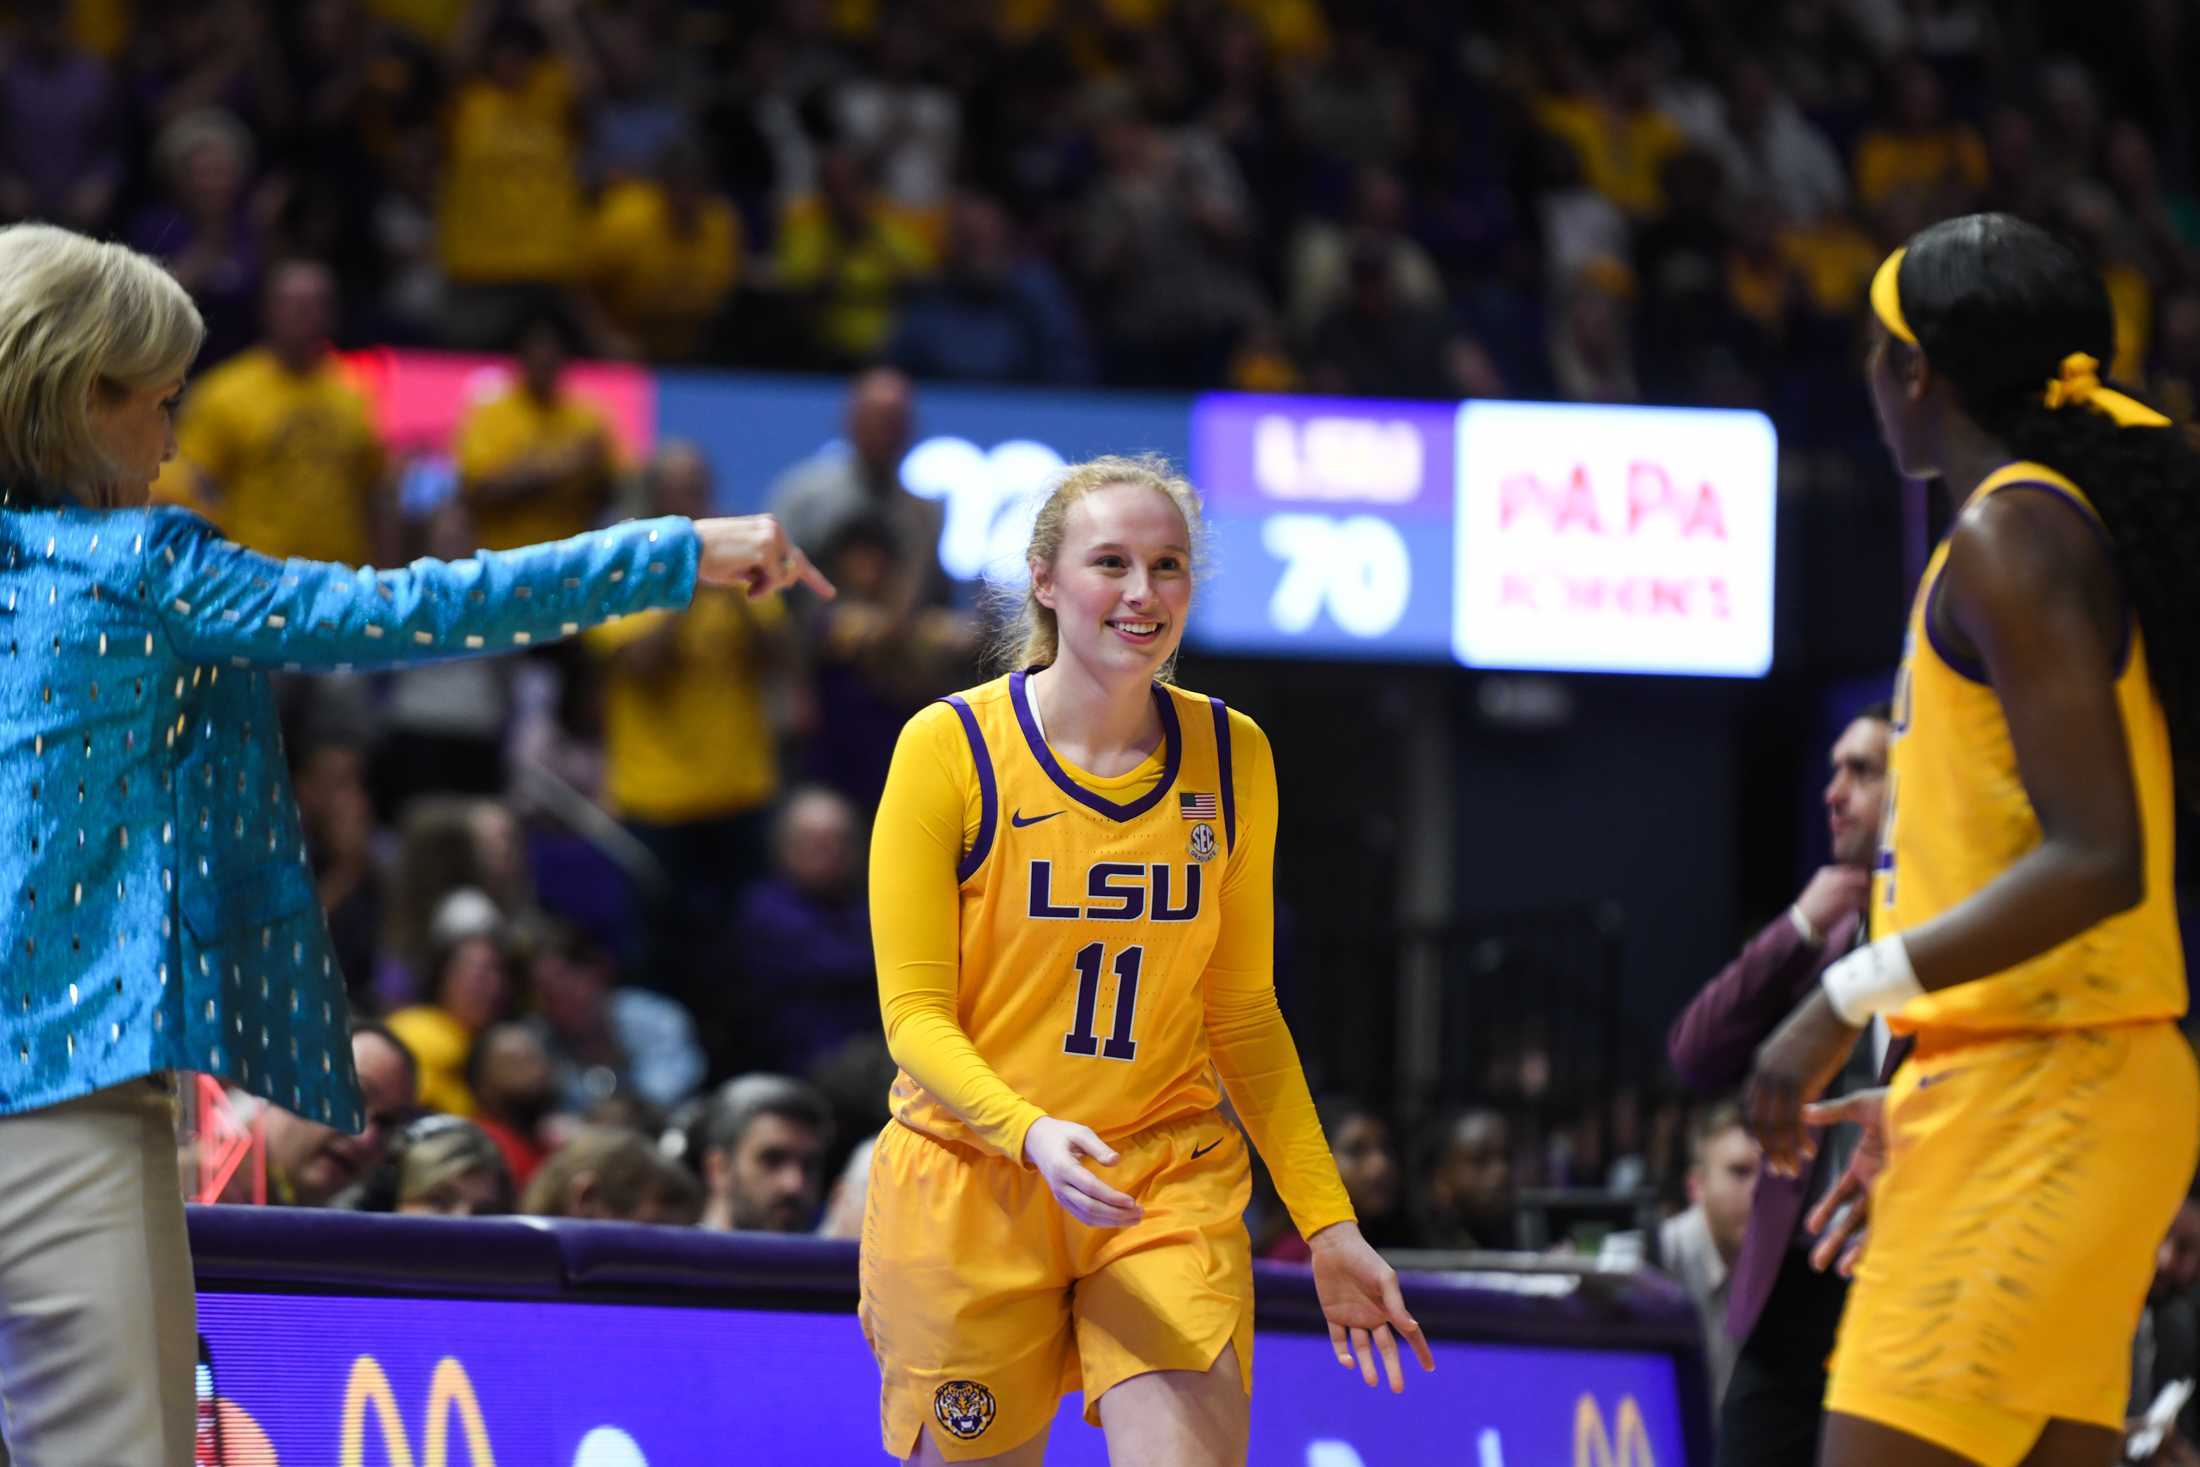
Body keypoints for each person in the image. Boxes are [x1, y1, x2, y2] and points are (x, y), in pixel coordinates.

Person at [0, 221, 830, 1467]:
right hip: (67, 1095)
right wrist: (668, 552)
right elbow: (405, 607)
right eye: (160, 404)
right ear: (77, 396)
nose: (171, 443)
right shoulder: (142, 566)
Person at [863, 455, 1427, 1465]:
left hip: (1160, 1179)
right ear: (1044, 579)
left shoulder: (1233, 753)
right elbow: (912, 1020)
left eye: (1166, 566)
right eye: (1109, 562)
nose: (1141, 593)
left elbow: (1243, 1013)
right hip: (973, 1176)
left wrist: (1328, 1224)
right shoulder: (945, 749)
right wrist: (1028, 1132)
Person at [1748, 213, 2200, 1467]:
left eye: (1874, 350)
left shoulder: (2010, 536)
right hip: (2030, 1082)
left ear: (1917, 374)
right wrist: (1915, 1078)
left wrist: (1835, 997)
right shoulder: (2036, 529)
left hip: (2051, 1090)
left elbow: (2097, 857)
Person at [1668, 704, 1903, 1466]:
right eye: (1832, 769)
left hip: (1903, 1278)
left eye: (1862, 771)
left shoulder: (1958, 937)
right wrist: (1800, 922)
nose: (1834, 792)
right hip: (1792, 1297)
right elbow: (1695, 1052)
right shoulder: (1823, 938)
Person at [1658, 1103, 1762, 1416]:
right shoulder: (1663, 1255)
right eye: (1739, 1173)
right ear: (1696, 1186)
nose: (1758, 1190)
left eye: (1768, 1174)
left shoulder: (1793, 1261)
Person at [697, 1073, 834, 1234]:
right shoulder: (668, 1258)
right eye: (772, 1160)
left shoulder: (833, 1258)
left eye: (809, 1166)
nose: (794, 1184)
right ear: (718, 1169)